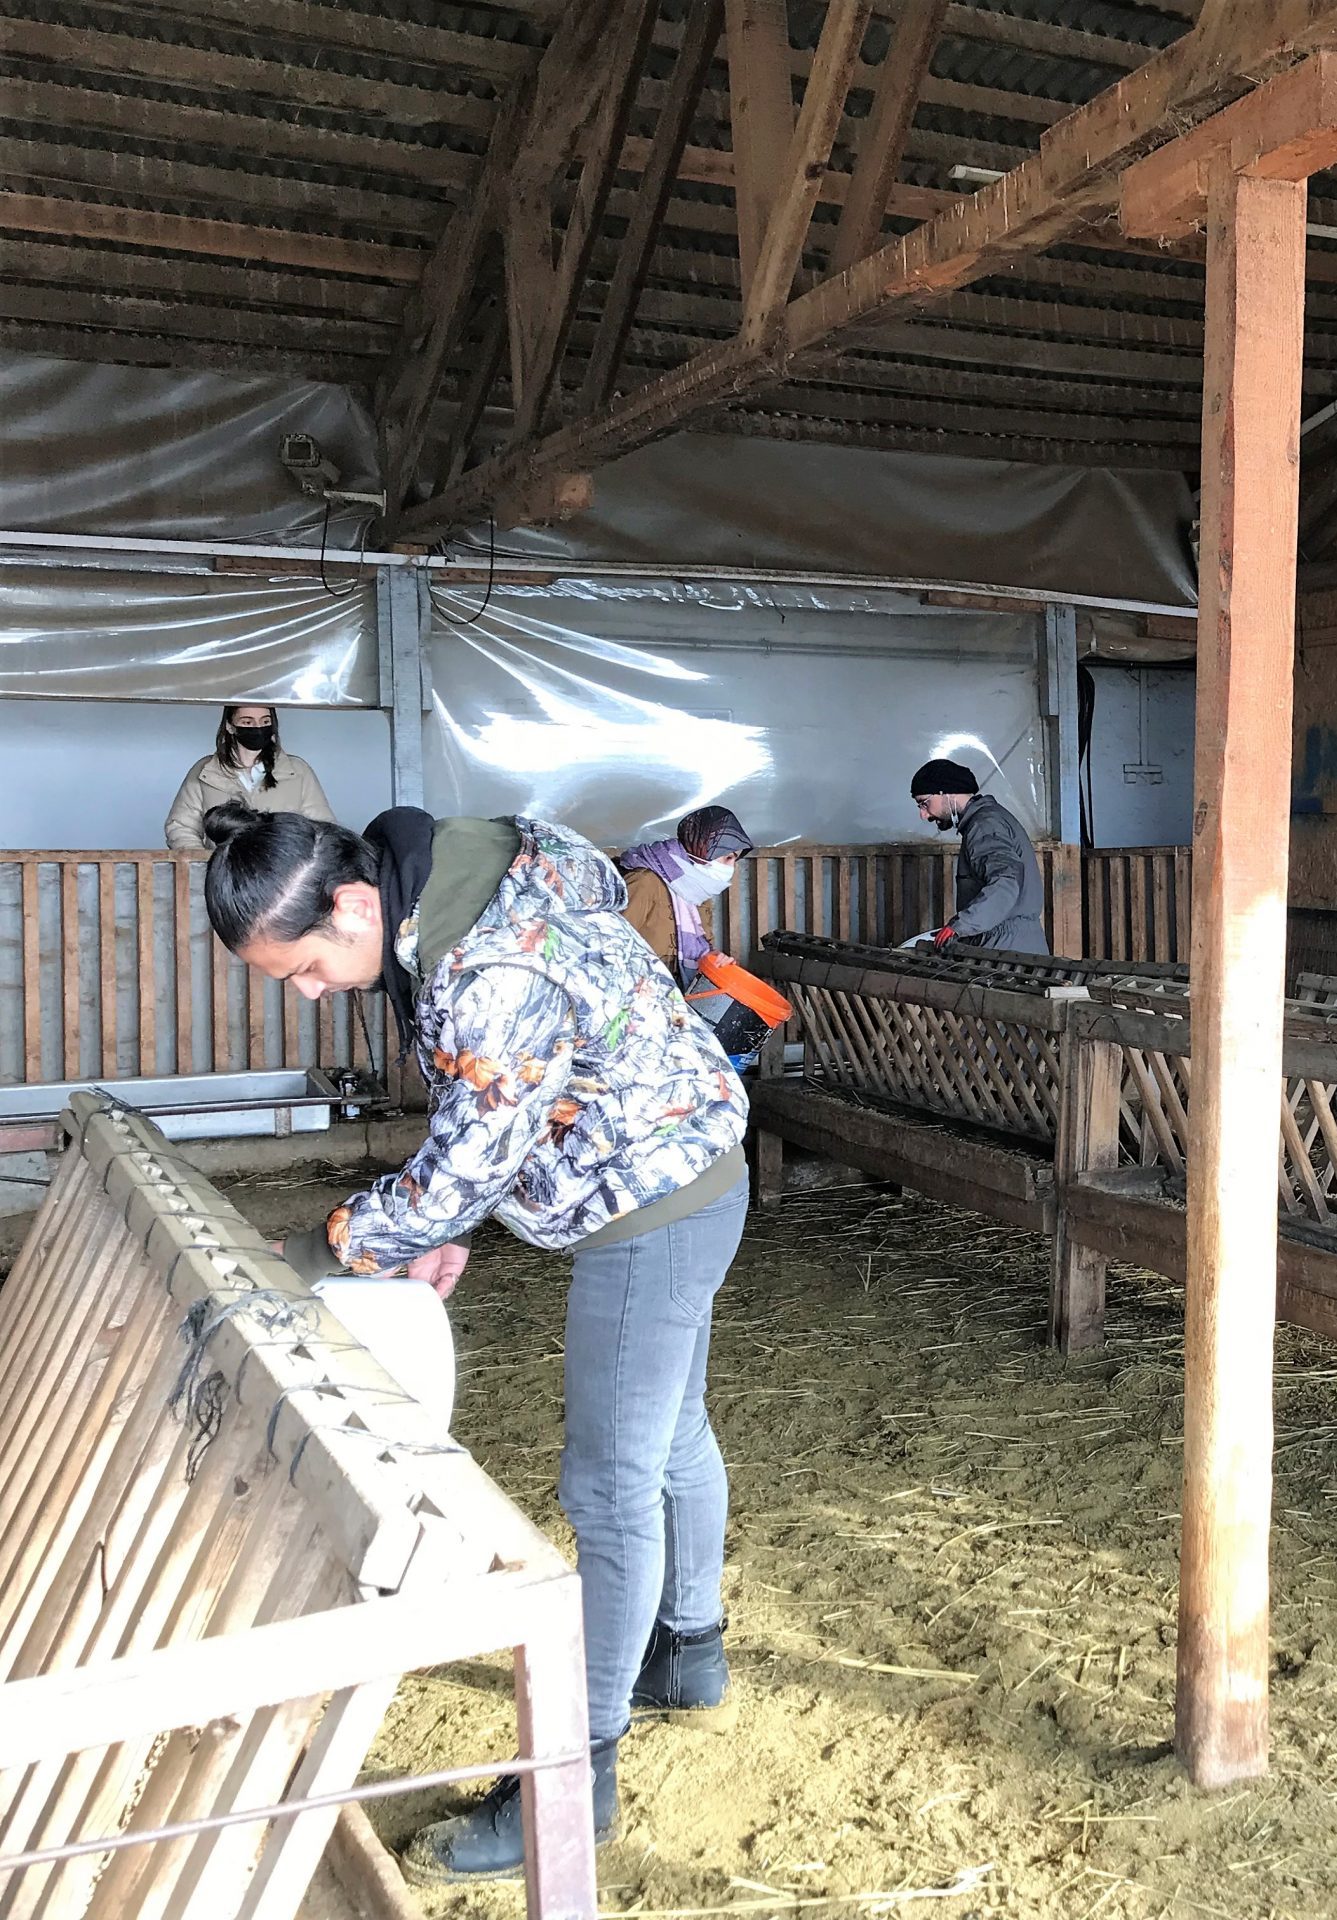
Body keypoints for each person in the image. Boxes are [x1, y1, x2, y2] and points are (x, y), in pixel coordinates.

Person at [200, 800, 750, 1883]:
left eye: (302, 968)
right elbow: (505, 1097)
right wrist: (449, 1219)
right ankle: (687, 1653)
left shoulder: (481, 966)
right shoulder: (465, 863)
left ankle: (571, 1778)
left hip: (646, 1200)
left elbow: (467, 1151)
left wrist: (309, 1255)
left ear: (352, 905)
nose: (307, 991)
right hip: (690, 1157)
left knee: (607, 1485)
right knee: (670, 1434)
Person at [909, 757, 1049, 955]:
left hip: (1004, 948)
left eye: (924, 803)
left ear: (945, 793)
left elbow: (1005, 881)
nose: (924, 815)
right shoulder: (991, 819)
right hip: (1014, 942)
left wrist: (961, 925)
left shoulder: (984, 826)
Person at [163, 704, 334, 850]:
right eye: (247, 722)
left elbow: (324, 829)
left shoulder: (298, 771)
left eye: (265, 721)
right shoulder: (205, 771)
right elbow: (181, 827)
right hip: (223, 873)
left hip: (284, 873)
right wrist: (204, 865)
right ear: (230, 726)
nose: (258, 727)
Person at [617, 805, 754, 988]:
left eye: (735, 860)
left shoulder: (697, 891)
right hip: (638, 990)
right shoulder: (645, 882)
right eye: (728, 858)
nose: (732, 867)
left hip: (675, 992)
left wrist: (716, 959)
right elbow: (610, 942)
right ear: (705, 848)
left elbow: (702, 947)